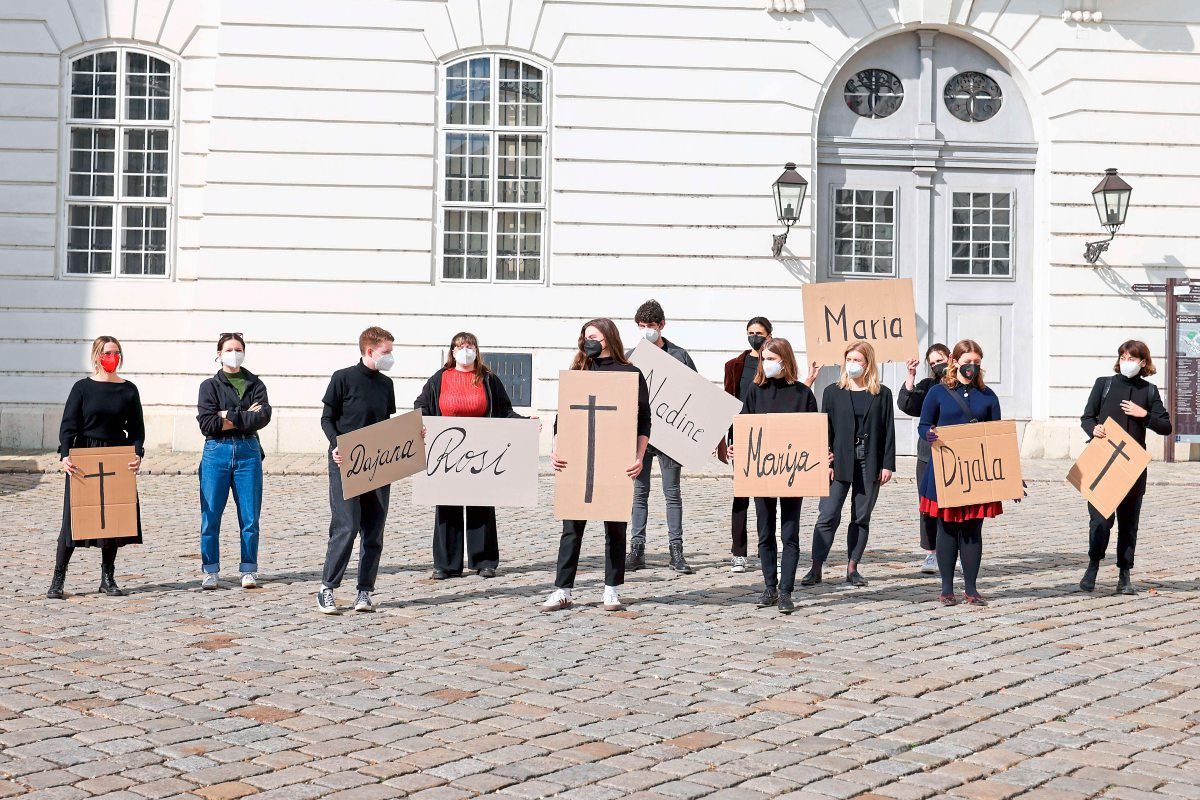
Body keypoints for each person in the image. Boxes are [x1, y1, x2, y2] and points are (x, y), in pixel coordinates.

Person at [543, 318, 651, 613]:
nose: (588, 342)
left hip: (615, 460)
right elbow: (562, 416)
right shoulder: (580, 370)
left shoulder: (630, 373)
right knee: (572, 526)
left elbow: (643, 419)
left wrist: (639, 456)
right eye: (585, 337)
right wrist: (556, 447)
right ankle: (562, 590)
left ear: (608, 339)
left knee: (615, 527)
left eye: (594, 337)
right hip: (579, 460)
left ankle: (612, 590)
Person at [414, 331, 529, 580]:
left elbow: (504, 410)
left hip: (481, 451)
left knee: (481, 505)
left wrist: (525, 424)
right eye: (459, 346)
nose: (464, 350)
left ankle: (484, 561)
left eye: (469, 346)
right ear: (452, 352)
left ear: (476, 350)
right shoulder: (439, 379)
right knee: (447, 506)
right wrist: (422, 422)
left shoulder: (487, 379)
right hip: (447, 451)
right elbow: (421, 404)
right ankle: (446, 564)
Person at [48, 336, 144, 599]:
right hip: (86, 455)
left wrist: (137, 454)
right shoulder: (82, 388)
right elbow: (69, 424)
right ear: (97, 356)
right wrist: (65, 454)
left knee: (110, 518)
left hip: (115, 454)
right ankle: (58, 579)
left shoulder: (128, 389)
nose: (112, 357)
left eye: (116, 352)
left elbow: (136, 429)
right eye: (107, 352)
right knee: (73, 518)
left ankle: (107, 577)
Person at [722, 317, 818, 573]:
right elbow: (745, 425)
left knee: (789, 533)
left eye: (771, 359)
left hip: (791, 471)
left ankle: (786, 589)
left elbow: (813, 434)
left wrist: (823, 455)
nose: (766, 363)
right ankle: (769, 586)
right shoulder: (755, 391)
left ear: (784, 361)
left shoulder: (803, 394)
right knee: (765, 530)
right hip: (762, 470)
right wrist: (736, 447)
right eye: (764, 359)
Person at [1078, 340, 1171, 595]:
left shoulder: (1149, 391)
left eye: (1132, 358)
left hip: (1132, 468)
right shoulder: (1104, 384)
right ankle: (1093, 564)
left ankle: (1124, 573)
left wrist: (1145, 415)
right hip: (1103, 464)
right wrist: (1092, 428)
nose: (1126, 361)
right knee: (1100, 522)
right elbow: (1087, 417)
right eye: (1123, 356)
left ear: (1142, 362)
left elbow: (1166, 426)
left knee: (1129, 523)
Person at [317, 327, 397, 615]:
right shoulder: (343, 378)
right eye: (386, 352)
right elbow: (327, 418)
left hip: (379, 462)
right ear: (369, 351)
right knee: (347, 525)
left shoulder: (386, 385)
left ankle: (365, 591)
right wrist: (336, 445)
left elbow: (387, 423)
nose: (390, 357)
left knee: (374, 530)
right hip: (345, 460)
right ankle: (327, 587)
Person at [802, 341, 895, 588]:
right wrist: (825, 458)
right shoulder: (833, 392)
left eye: (858, 361)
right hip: (839, 459)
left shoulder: (882, 393)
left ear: (868, 365)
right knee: (827, 514)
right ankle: (816, 567)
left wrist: (887, 464)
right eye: (849, 359)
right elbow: (826, 430)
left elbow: (888, 431)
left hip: (869, 459)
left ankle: (853, 567)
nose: (852, 364)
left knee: (861, 516)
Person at [918, 339, 1003, 606]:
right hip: (945, 470)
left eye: (976, 363)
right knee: (947, 530)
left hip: (976, 473)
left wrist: (1009, 475)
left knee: (972, 531)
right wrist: (929, 434)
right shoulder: (938, 392)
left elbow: (997, 437)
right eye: (967, 362)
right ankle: (946, 588)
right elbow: (923, 425)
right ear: (955, 362)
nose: (972, 367)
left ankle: (971, 588)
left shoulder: (988, 396)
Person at [195, 333, 272, 590]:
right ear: (219, 353)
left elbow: (262, 418)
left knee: (250, 516)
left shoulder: (255, 384)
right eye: (229, 349)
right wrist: (241, 416)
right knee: (211, 515)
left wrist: (226, 415)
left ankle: (248, 569)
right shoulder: (209, 386)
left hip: (248, 450)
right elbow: (207, 424)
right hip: (216, 452)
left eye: (238, 348)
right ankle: (210, 569)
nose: (234, 353)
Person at [626, 299, 696, 574]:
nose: (646, 331)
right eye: (642, 326)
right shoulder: (632, 355)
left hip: (672, 435)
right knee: (639, 494)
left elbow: (694, 393)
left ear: (661, 325)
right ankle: (637, 549)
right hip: (641, 435)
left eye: (651, 326)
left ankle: (676, 551)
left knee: (672, 494)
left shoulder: (679, 355)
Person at [897, 343, 951, 574]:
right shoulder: (929, 385)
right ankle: (931, 553)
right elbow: (907, 404)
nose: (938, 365)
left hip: (955, 453)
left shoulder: (962, 385)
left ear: (951, 357)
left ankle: (953, 550)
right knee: (928, 505)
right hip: (928, 455)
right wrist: (910, 376)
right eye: (933, 363)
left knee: (953, 504)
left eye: (941, 360)